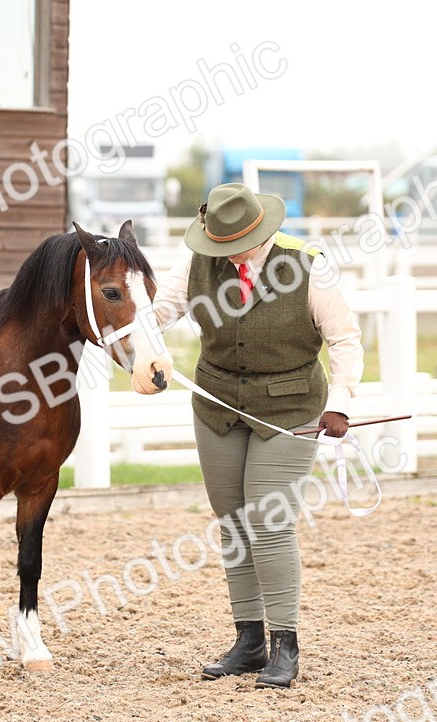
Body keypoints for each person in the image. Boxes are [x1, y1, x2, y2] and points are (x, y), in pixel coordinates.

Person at [153, 183, 364, 689]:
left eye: (236, 246)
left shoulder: (309, 265)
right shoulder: (197, 261)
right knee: (233, 523)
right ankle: (248, 642)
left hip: (290, 407)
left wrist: (340, 402)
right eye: (218, 245)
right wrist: (124, 330)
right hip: (218, 404)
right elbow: (158, 312)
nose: (225, 255)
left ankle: (284, 645)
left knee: (269, 522)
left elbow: (344, 338)